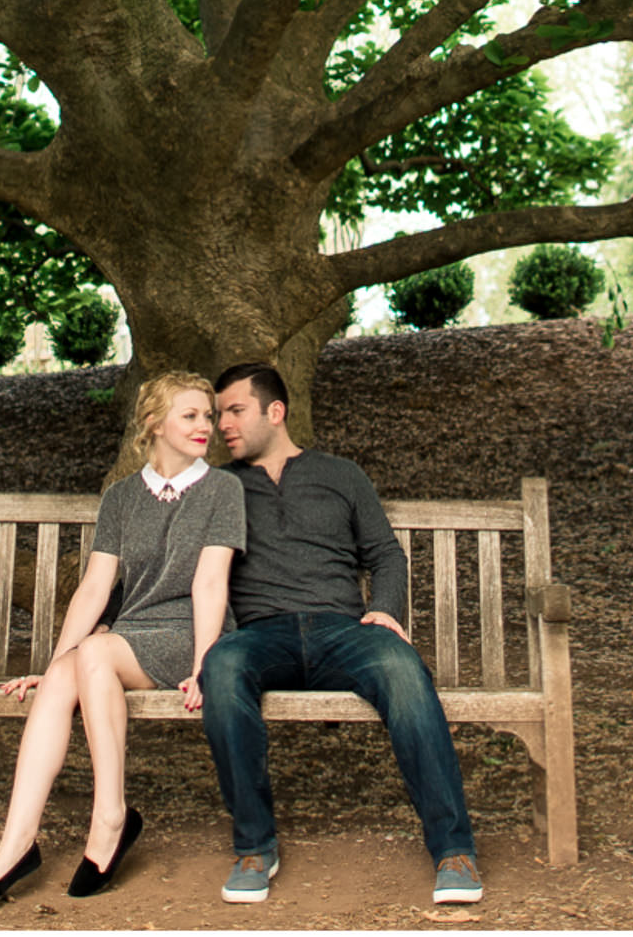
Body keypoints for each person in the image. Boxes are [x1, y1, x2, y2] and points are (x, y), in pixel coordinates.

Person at [194, 362, 483, 909]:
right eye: (217, 414)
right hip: (262, 635)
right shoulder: (220, 487)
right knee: (222, 666)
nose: (221, 425)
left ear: (274, 412)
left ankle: (454, 851)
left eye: (234, 411)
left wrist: (385, 611)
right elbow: (172, 559)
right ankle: (255, 848)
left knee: (401, 666)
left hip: (342, 631)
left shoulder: (341, 475)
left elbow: (385, 555)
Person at [0, 370, 242, 911]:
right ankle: (15, 844)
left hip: (190, 633)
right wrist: (53, 664)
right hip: (129, 635)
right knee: (66, 673)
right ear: (154, 423)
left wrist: (206, 663)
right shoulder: (120, 499)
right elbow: (94, 588)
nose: (205, 425)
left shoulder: (223, 490)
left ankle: (109, 817)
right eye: (191, 415)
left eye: (208, 415)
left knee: (93, 652)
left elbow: (211, 583)